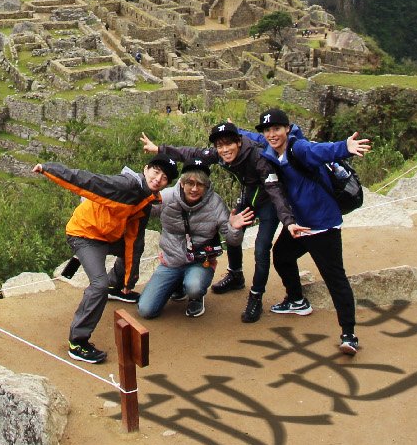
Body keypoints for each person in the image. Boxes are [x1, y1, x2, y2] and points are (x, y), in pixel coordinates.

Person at [245, 108, 371, 356]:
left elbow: (320, 150)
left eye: (277, 129)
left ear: (287, 129)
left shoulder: (298, 148)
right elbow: (255, 137)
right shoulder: (271, 149)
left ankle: (349, 334)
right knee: (281, 256)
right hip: (300, 225)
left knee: (335, 278)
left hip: (322, 225)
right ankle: (296, 300)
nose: (272, 134)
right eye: (268, 130)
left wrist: (345, 147)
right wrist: (234, 130)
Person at [141, 122, 295, 323]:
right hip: (251, 193)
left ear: (239, 142)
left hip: (269, 201)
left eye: (228, 144)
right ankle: (236, 275)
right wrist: (160, 150)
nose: (223, 150)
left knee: (261, 248)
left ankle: (255, 297)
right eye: (219, 146)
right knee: (146, 309)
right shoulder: (220, 154)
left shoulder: (258, 158)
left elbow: (274, 189)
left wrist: (288, 220)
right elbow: (194, 153)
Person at [34, 153, 178, 364]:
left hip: (108, 235)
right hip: (84, 234)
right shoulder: (125, 185)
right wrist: (49, 169)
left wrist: (130, 279)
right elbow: (88, 181)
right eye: (156, 172)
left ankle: (116, 287)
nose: (158, 179)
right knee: (98, 285)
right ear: (146, 169)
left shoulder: (146, 199)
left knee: (129, 249)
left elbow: (134, 241)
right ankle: (78, 342)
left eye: (164, 178)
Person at [135, 154, 252, 320]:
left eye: (200, 184)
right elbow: (143, 210)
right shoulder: (167, 198)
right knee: (146, 310)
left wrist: (234, 228)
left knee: (194, 286)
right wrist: (132, 193)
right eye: (190, 183)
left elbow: (233, 241)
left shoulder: (215, 204)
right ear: (182, 183)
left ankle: (195, 296)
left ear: (206, 185)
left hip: (200, 261)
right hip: (171, 261)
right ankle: (177, 285)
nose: (194, 189)